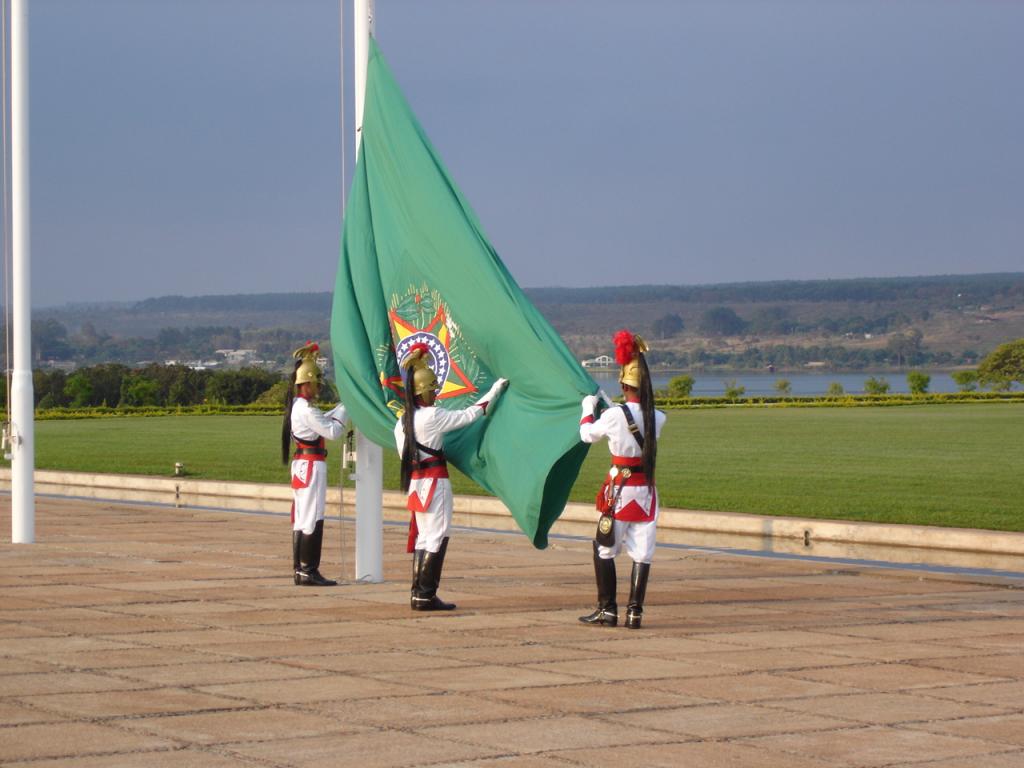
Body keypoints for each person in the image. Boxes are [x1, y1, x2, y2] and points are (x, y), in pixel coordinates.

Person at [395, 343, 507, 611]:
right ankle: (426, 594)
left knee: (424, 536)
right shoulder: (432, 416)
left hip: (417, 483)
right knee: (437, 536)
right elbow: (471, 414)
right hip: (435, 482)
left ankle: (418, 593)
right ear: (424, 391)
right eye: (433, 389)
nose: (435, 393)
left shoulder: (402, 421)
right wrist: (495, 390)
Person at [578, 330, 666, 629]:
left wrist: (588, 409)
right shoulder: (659, 416)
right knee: (642, 553)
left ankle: (607, 609)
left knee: (604, 547)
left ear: (623, 383)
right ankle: (634, 613)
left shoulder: (615, 415)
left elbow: (586, 434)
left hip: (621, 490)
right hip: (646, 492)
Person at [282, 341, 348, 587]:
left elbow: (323, 419)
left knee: (302, 518)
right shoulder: (306, 409)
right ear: (306, 383)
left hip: (302, 464)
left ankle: (301, 569)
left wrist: (340, 407)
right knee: (312, 517)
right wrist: (349, 407)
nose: (318, 388)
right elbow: (332, 431)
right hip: (311, 464)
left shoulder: (300, 407)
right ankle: (309, 570)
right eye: (316, 383)